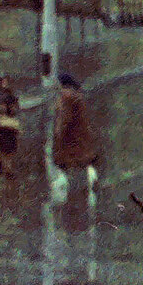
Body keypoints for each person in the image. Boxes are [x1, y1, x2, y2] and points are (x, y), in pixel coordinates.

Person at [50, 72, 101, 200]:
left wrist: (57, 134)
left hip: (70, 143)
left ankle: (74, 199)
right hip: (82, 141)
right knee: (81, 167)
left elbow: (64, 120)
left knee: (71, 171)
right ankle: (85, 192)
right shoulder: (79, 97)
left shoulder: (66, 97)